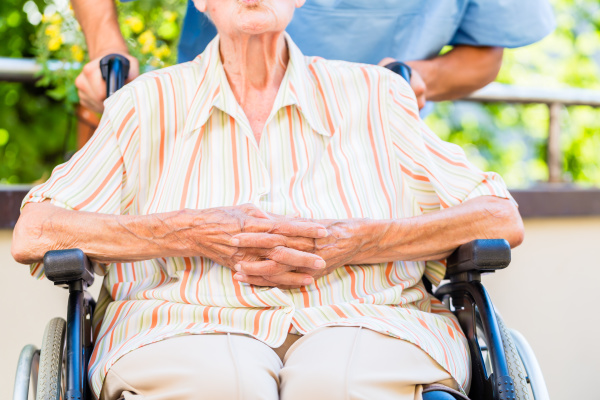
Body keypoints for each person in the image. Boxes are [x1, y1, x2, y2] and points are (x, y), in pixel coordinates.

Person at [12, 0, 524, 399]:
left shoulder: (374, 95)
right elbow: (36, 230)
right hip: (182, 323)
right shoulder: (145, 105)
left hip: (367, 316)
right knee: (221, 386)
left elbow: (499, 217)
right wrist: (187, 232)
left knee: (336, 384)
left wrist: (359, 241)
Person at [71, 0, 554, 113]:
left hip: (370, 140)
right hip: (209, 117)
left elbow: (486, 53)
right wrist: (106, 47)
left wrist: (412, 77)